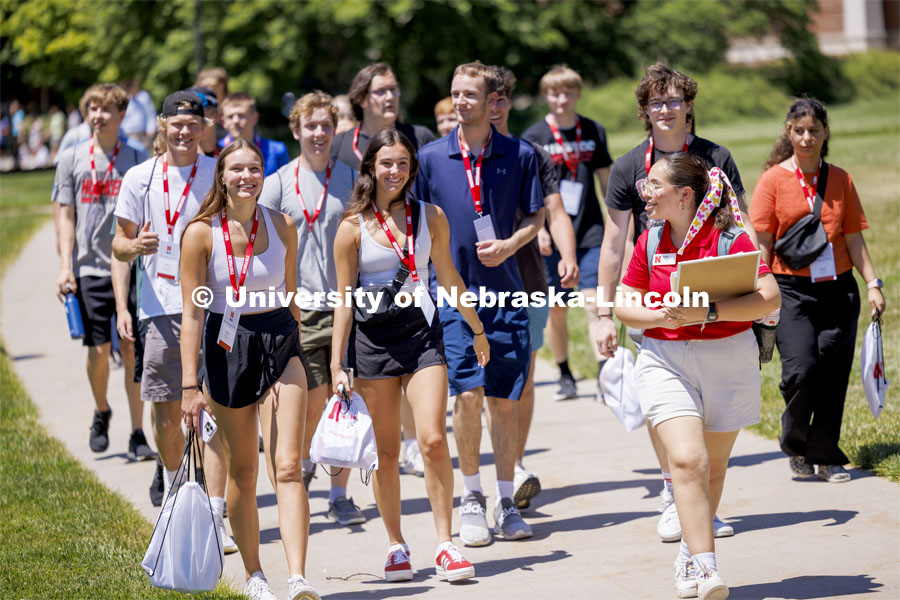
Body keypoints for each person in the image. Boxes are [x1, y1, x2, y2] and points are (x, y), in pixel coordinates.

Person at [597, 62, 750, 543]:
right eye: (656, 102)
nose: (665, 109)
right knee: (665, 399)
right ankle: (672, 489)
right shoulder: (627, 167)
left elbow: (740, 224)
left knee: (711, 405)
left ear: (688, 106)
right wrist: (605, 312)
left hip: (714, 291)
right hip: (652, 296)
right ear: (645, 111)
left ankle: (701, 494)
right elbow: (613, 243)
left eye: (674, 100)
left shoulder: (716, 156)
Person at [616, 153, 780, 600]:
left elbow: (768, 296)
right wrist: (658, 314)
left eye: (653, 185)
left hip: (728, 358)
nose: (644, 193)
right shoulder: (649, 239)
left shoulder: (730, 239)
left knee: (713, 469)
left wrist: (707, 311)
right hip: (664, 358)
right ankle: (707, 569)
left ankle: (690, 550)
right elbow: (623, 302)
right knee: (688, 461)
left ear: (684, 194)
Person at [332, 128, 485, 582]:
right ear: (371, 168)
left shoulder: (431, 216)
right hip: (373, 341)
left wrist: (476, 327)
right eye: (386, 163)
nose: (394, 171)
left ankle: (445, 543)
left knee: (434, 439)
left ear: (412, 168)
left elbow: (450, 277)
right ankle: (397, 545)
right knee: (385, 449)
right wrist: (338, 364)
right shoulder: (351, 227)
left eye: (402, 163)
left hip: (422, 336)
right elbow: (343, 299)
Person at [180, 139, 320, 600]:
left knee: (288, 466)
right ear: (221, 176)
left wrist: (300, 347)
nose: (246, 177)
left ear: (264, 174)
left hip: (280, 340)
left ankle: (298, 577)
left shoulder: (283, 224)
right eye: (236, 169)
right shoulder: (201, 233)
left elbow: (293, 293)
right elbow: (193, 314)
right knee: (244, 471)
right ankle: (256, 575)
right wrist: (189, 385)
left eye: (255, 168)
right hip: (227, 346)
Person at [415, 61, 545, 545]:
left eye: (471, 94)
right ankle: (472, 497)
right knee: (467, 395)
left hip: (507, 294)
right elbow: (418, 228)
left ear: (493, 101)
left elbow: (535, 218)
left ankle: (506, 499)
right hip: (453, 295)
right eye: (455, 94)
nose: (461, 102)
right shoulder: (430, 158)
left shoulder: (520, 154)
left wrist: (511, 245)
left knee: (504, 401)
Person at [113, 91, 236, 552]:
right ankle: (174, 489)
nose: (185, 132)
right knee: (166, 408)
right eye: (176, 124)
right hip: (160, 305)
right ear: (162, 125)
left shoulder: (218, 173)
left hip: (216, 305)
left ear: (204, 127)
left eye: (193, 124)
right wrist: (135, 246)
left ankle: (216, 513)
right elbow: (119, 245)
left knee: (218, 408)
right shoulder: (139, 178)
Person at [750, 98, 886, 483]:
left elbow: (854, 238)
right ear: (788, 132)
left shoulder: (840, 178)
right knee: (802, 370)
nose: (807, 137)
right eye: (799, 130)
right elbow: (761, 242)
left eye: (814, 130)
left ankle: (825, 455)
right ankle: (795, 441)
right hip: (790, 288)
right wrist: (760, 289)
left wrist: (872, 284)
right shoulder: (773, 179)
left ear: (825, 132)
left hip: (839, 289)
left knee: (832, 371)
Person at [258, 91, 363, 526]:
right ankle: (300, 468)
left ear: (334, 129)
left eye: (326, 125)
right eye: (310, 126)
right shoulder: (279, 181)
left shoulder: (354, 178)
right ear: (296, 130)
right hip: (298, 310)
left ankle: (339, 495)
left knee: (342, 397)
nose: (318, 133)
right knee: (311, 399)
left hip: (343, 304)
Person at [488, 65, 579, 510]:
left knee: (521, 379)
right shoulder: (450, 157)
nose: (496, 106)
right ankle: (483, 476)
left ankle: (515, 466)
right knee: (479, 387)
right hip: (472, 286)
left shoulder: (531, 153)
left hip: (527, 278)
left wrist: (567, 254)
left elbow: (556, 210)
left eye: (502, 97)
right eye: (489, 97)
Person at [52, 83, 150, 460]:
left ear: (122, 115)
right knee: (97, 350)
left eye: (107, 109)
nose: (98, 115)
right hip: (89, 267)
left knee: (131, 348)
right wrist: (65, 264)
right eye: (93, 108)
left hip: (130, 266)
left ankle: (138, 431)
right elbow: (65, 213)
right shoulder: (71, 159)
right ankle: (102, 409)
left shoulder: (139, 159)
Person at [522, 65, 613, 401]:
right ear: (546, 96)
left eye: (567, 92)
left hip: (589, 230)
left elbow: (606, 181)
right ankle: (564, 373)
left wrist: (617, 226)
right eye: (554, 93)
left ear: (577, 93)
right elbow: (528, 190)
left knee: (593, 303)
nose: (561, 99)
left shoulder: (593, 130)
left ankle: (605, 375)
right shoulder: (534, 137)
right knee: (556, 309)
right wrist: (539, 230)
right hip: (552, 237)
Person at [331, 62, 435, 170]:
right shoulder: (339, 145)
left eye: (393, 89)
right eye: (381, 91)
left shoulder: (420, 138)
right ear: (361, 99)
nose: (390, 97)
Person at [219, 92, 289, 176]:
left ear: (255, 118)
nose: (235, 121)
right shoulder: (217, 151)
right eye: (230, 116)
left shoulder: (276, 150)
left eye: (241, 115)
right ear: (223, 122)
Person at [120, 79, 157, 155]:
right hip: (128, 134)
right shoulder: (123, 98)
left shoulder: (143, 96)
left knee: (144, 156)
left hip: (143, 134)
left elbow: (150, 113)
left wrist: (151, 129)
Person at [186, 85, 221, 158]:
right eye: (187, 114)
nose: (194, 121)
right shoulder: (172, 156)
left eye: (201, 114)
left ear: (216, 116)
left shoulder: (228, 155)